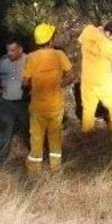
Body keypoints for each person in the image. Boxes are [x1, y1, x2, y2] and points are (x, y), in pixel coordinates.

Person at [22, 23, 73, 174]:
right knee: (55, 138)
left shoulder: (31, 57)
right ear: (51, 40)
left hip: (37, 107)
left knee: (36, 139)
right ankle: (55, 169)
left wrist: (33, 87)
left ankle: (33, 172)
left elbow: (25, 83)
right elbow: (72, 76)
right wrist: (59, 85)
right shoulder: (59, 55)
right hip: (56, 106)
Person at [78, 20, 112, 135]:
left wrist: (98, 31)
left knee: (88, 108)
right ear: (108, 33)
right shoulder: (110, 46)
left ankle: (87, 132)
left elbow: (80, 40)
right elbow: (111, 57)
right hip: (104, 80)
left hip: (87, 79)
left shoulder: (88, 30)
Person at [0, 38, 29, 165]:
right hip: (5, 103)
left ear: (20, 49)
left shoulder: (29, 60)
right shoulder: (2, 61)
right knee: (2, 134)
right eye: (8, 50)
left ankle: (39, 160)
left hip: (24, 103)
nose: (9, 53)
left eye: (12, 50)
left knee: (31, 132)